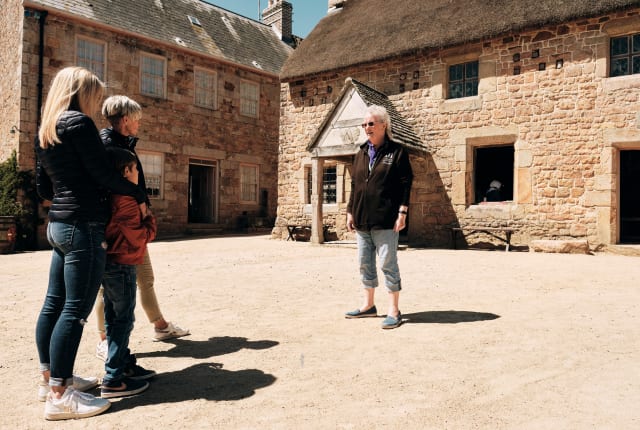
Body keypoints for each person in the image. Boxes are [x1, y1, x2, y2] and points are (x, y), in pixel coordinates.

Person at [34, 67, 148, 420]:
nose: (96, 103)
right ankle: (60, 395)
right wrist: (137, 194)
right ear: (81, 92)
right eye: (95, 95)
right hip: (83, 226)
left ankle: (49, 379)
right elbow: (102, 173)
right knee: (74, 312)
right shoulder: (78, 124)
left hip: (58, 225)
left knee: (54, 304)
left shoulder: (47, 128)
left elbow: (43, 188)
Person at [94, 95, 189, 362]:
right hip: (118, 226)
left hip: (134, 221)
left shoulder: (124, 144)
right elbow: (110, 186)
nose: (139, 124)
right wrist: (138, 202)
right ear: (125, 120)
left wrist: (142, 206)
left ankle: (160, 325)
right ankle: (104, 340)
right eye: (136, 119)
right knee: (109, 287)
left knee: (145, 278)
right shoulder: (106, 146)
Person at [345, 105, 413, 329]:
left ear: (384, 125)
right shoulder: (361, 152)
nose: (367, 128)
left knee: (387, 264)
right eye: (364, 124)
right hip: (362, 219)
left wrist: (402, 212)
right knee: (364, 264)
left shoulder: (397, 151)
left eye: (371, 124)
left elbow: (406, 183)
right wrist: (349, 211)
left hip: (386, 220)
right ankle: (368, 306)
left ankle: (394, 310)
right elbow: (355, 185)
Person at [100, 147, 157, 398]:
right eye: (135, 168)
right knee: (123, 320)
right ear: (125, 171)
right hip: (122, 263)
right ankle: (113, 377)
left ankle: (121, 364)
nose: (137, 173)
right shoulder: (126, 201)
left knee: (114, 317)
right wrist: (148, 218)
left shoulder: (110, 195)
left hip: (109, 262)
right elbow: (141, 236)